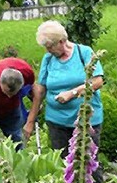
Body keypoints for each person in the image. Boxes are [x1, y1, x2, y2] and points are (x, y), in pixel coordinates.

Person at [35, 21, 104, 172]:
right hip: (57, 122)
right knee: (63, 168)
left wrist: (72, 93)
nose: (48, 50)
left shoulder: (84, 52)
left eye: (50, 46)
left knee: (88, 164)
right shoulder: (48, 59)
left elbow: (98, 81)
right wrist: (31, 117)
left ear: (61, 41)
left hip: (85, 122)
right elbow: (41, 88)